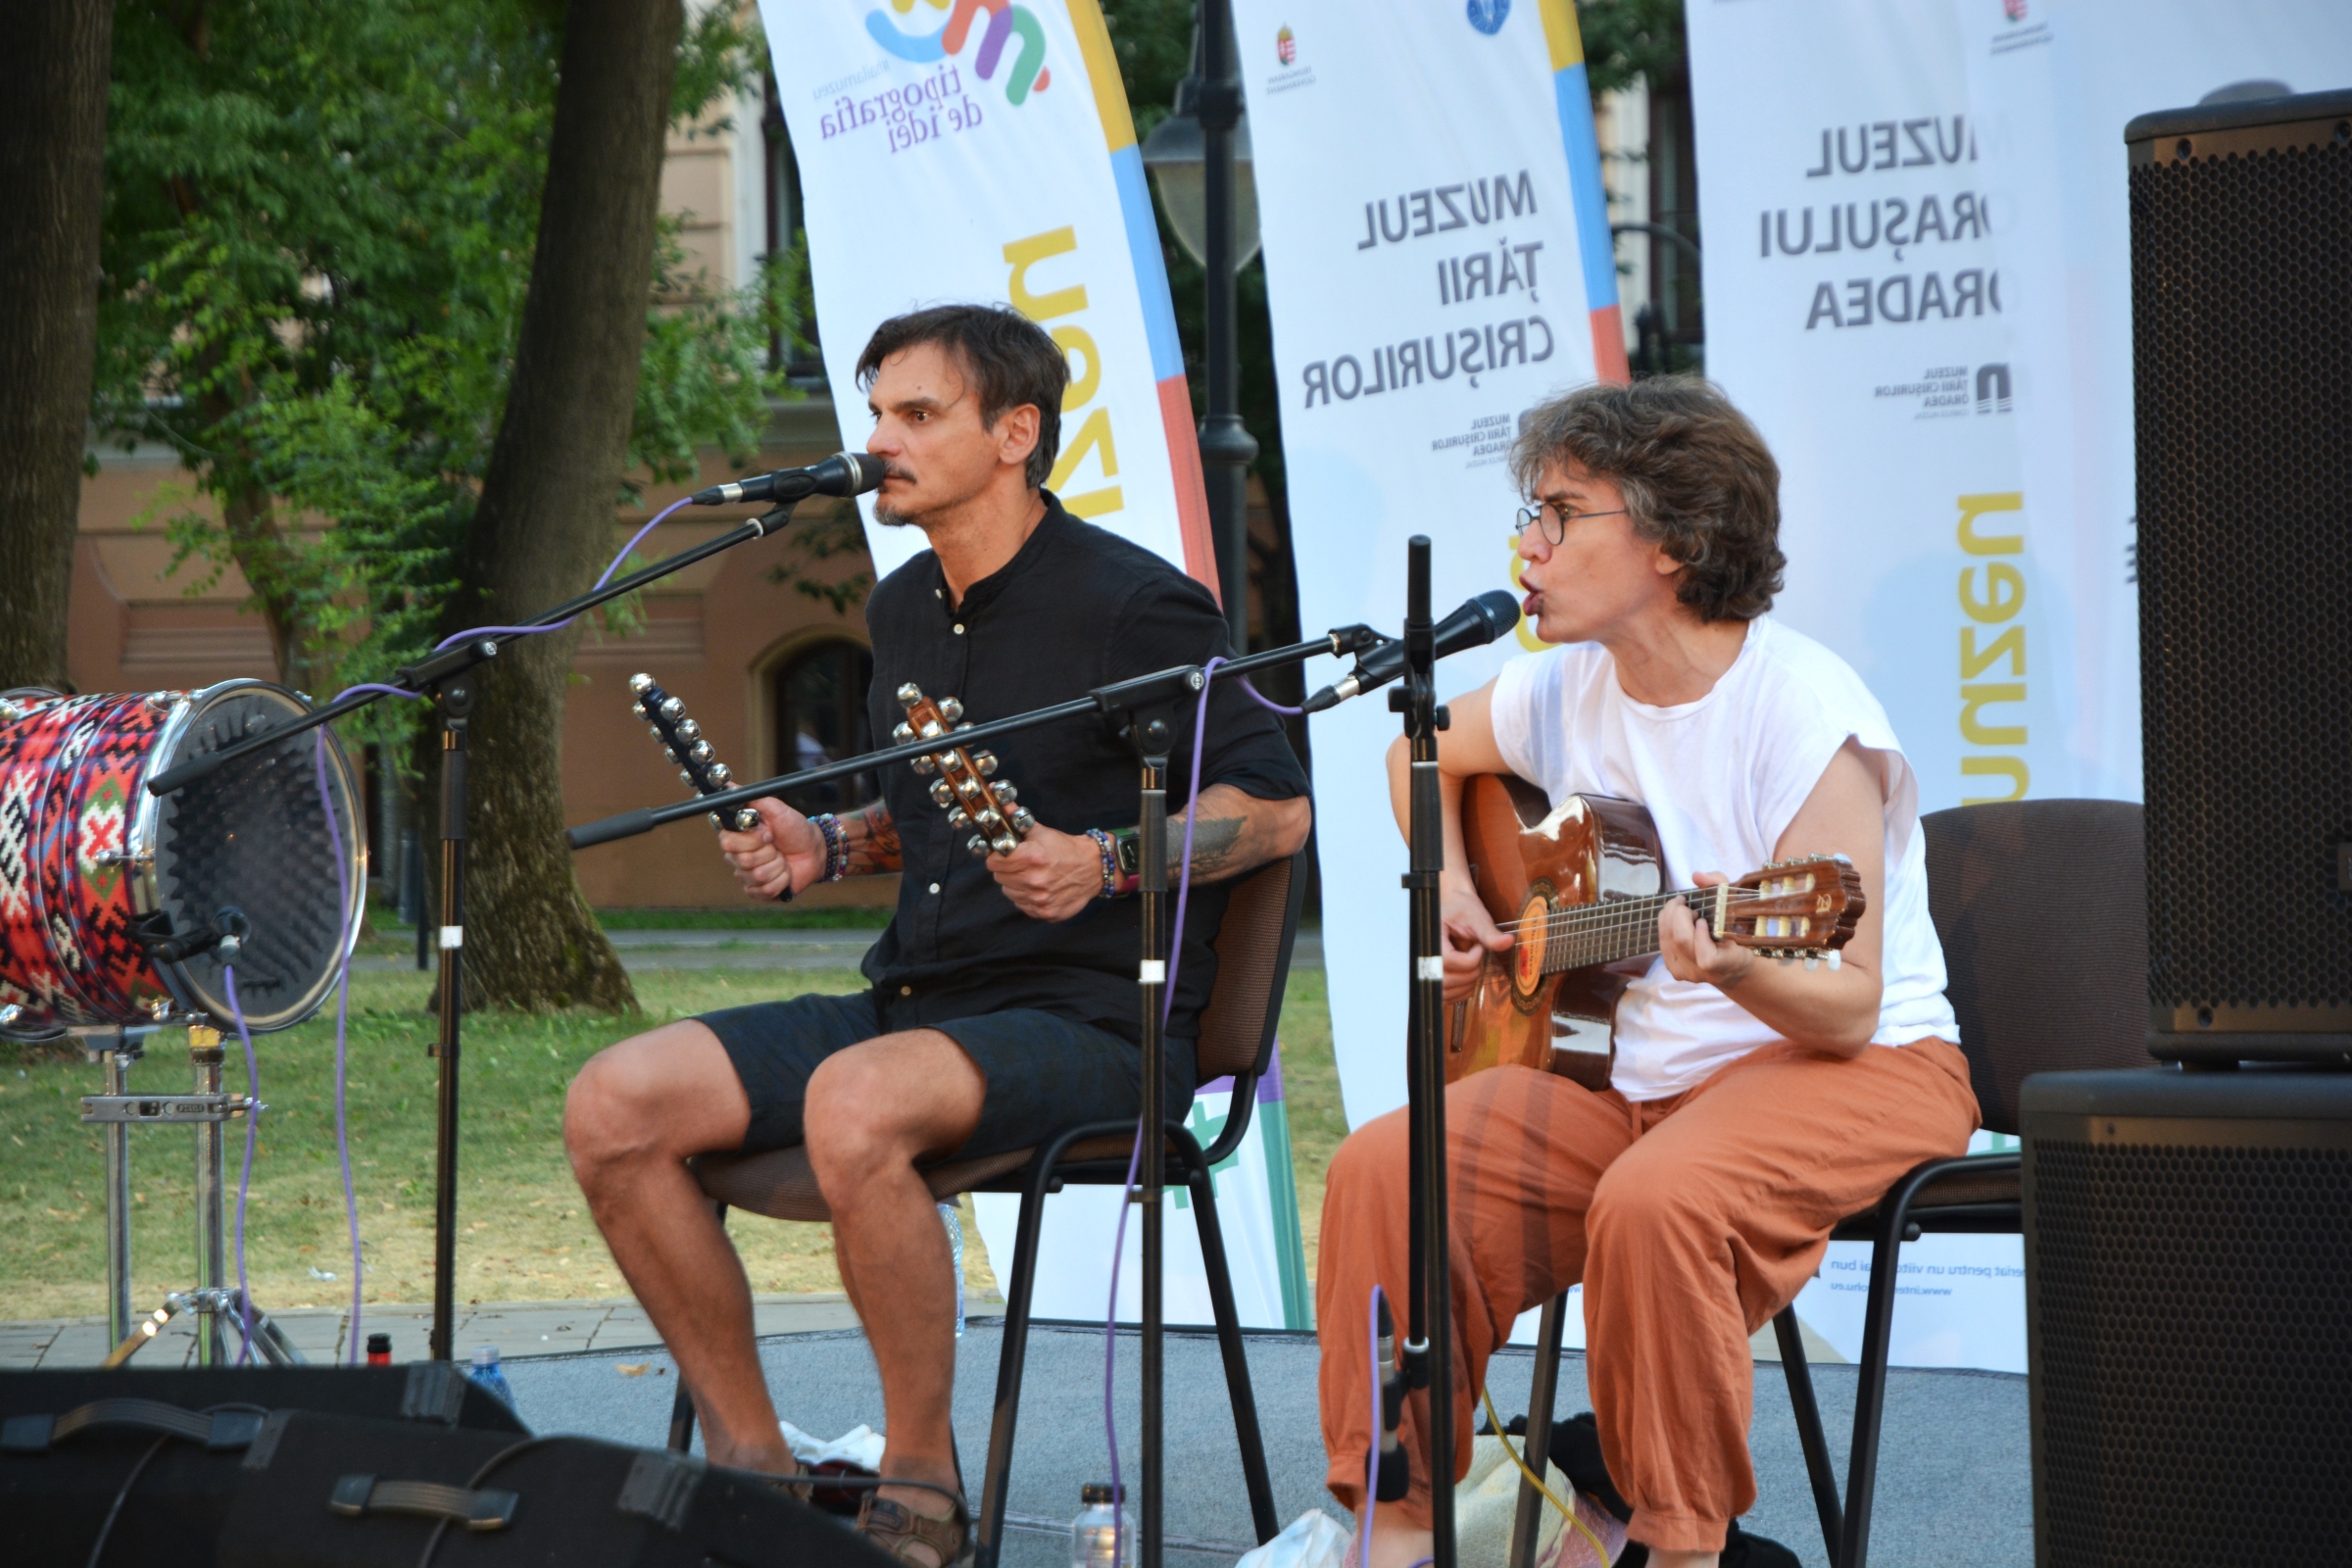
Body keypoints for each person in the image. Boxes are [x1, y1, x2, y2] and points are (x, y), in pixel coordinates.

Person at [565, 304, 1311, 1566]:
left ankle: (923, 1482)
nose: (878, 442)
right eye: (876, 414)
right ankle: (756, 1468)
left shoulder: (1139, 607)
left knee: (855, 1103)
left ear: (1015, 433)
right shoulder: (908, 604)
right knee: (613, 1101)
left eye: (916, 415)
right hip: (918, 1003)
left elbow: (1279, 809)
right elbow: (929, 821)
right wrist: (829, 845)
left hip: (1093, 1023)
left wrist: (1110, 859)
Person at [1316, 378, 1976, 1568]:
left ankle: (1678, 1547)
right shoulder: (1566, 681)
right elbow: (1417, 750)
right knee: (1384, 1166)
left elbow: (1848, 1001)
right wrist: (1456, 891)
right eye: (1530, 511)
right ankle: (1402, 1521)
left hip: (1864, 1067)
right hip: (1641, 1089)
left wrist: (1726, 961)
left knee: (1657, 1200)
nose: (1528, 544)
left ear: (1673, 540)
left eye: (1562, 513)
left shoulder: (1802, 709)